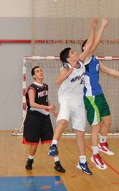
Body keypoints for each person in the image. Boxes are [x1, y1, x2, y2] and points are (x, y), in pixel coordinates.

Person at [81, 18, 119, 170]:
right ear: (85, 48)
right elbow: (96, 41)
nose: (91, 45)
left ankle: (103, 144)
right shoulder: (84, 59)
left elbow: (110, 71)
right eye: (88, 44)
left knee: (107, 120)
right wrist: (99, 26)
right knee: (95, 126)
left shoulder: (95, 60)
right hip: (90, 98)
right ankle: (94, 155)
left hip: (100, 95)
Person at [48, 18, 98, 175]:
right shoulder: (66, 67)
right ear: (68, 59)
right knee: (62, 121)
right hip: (66, 98)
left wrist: (92, 27)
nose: (76, 53)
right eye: (72, 52)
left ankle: (82, 162)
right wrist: (68, 73)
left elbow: (89, 45)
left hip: (78, 101)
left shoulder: (81, 62)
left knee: (80, 132)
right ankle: (54, 144)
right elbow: (57, 81)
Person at [23, 66, 65, 173]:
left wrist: (52, 108)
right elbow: (32, 103)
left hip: (45, 118)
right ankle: (30, 160)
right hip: (33, 117)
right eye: (37, 71)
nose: (40, 72)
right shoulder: (32, 88)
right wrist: (47, 107)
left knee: (52, 141)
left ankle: (57, 163)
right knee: (34, 143)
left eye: (41, 70)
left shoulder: (45, 86)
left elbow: (46, 100)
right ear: (34, 76)